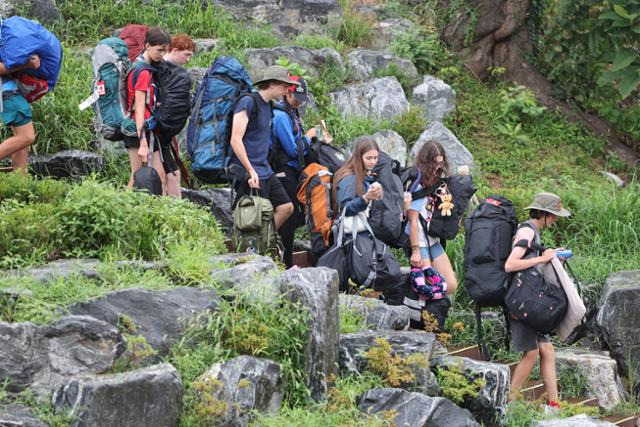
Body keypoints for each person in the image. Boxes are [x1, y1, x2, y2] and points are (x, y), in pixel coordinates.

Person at [505, 191, 571, 412]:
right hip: (523, 302)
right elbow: (511, 264)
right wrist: (543, 258)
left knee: (548, 351)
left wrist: (550, 257)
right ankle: (509, 405)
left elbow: (530, 262)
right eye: (553, 215)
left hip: (531, 301)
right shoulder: (526, 230)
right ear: (543, 214)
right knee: (531, 353)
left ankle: (554, 406)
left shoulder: (534, 233)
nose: (555, 219)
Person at [229, 65, 298, 231]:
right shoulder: (248, 102)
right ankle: (253, 247)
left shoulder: (269, 106)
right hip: (249, 171)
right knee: (253, 217)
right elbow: (235, 140)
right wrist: (250, 171)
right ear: (272, 84)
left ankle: (264, 240)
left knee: (286, 207)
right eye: (284, 86)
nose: (286, 91)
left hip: (264, 169)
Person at [404, 141, 458, 330]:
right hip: (418, 240)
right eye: (434, 164)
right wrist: (415, 251)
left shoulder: (438, 183)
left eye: (441, 163)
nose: (437, 168)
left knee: (450, 284)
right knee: (428, 288)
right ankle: (428, 325)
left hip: (433, 239)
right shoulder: (416, 183)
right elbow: (412, 221)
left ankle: (432, 317)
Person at [270, 76, 318, 267]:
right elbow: (291, 149)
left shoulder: (292, 112)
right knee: (289, 220)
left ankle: (281, 255)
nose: (299, 102)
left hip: (293, 172)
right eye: (296, 97)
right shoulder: (281, 116)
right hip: (283, 173)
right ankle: (287, 263)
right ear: (287, 93)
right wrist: (307, 138)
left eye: (301, 98)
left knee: (297, 216)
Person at [124, 27, 178, 194]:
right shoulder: (143, 72)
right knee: (136, 176)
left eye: (165, 50)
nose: (162, 54)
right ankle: (121, 212)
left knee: (160, 175)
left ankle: (156, 215)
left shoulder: (147, 67)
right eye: (159, 50)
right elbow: (139, 109)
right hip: (137, 130)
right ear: (147, 46)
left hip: (148, 129)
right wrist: (143, 143)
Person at [332, 138, 384, 294]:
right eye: (369, 158)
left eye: (375, 158)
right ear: (358, 157)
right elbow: (345, 209)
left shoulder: (364, 174)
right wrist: (366, 198)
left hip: (360, 231)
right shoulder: (349, 177)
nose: (373, 162)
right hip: (349, 235)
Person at [162, 34, 196, 198]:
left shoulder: (167, 69)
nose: (188, 60)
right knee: (169, 173)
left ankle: (175, 209)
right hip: (158, 132)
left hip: (164, 133)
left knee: (173, 173)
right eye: (187, 54)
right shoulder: (160, 69)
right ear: (174, 50)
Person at [0, 55, 41, 175]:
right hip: (6, 91)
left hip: (10, 89)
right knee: (26, 137)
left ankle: (19, 180)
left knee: (21, 138)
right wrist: (26, 65)